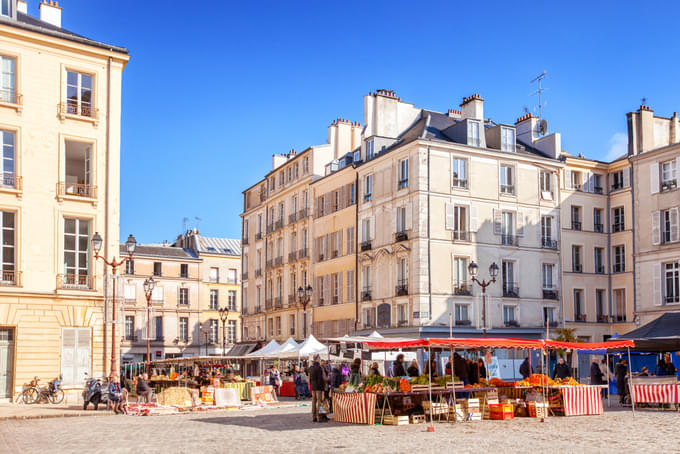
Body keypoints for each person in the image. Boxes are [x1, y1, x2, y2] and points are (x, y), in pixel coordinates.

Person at [309, 355, 329, 422]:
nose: (320, 360)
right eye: (319, 358)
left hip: (313, 387)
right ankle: (319, 416)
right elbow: (320, 379)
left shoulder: (311, 367)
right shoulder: (319, 368)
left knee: (314, 402)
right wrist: (322, 388)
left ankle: (314, 416)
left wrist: (311, 385)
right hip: (319, 387)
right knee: (319, 402)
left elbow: (310, 379)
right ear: (317, 359)